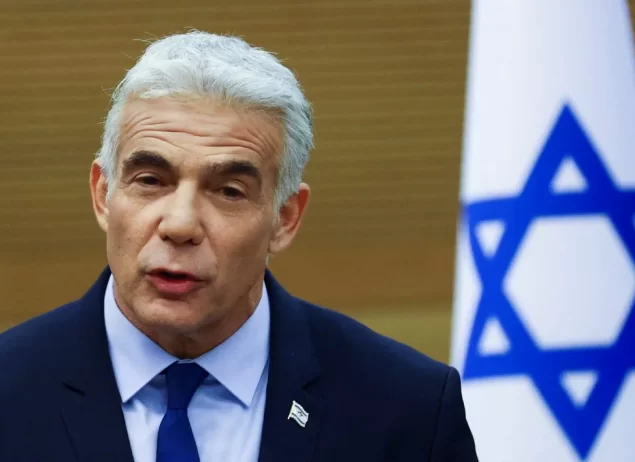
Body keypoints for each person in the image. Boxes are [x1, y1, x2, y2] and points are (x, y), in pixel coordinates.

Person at [0, 31, 478, 462]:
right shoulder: (10, 388)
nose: (180, 224)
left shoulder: (406, 409)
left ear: (285, 218)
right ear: (103, 194)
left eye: (229, 191)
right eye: (150, 180)